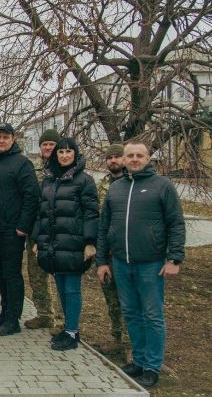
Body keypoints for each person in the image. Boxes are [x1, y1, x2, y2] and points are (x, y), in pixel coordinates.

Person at [96, 140, 185, 388]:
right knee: (131, 314)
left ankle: (152, 366)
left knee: (152, 315)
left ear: (148, 159)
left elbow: (176, 223)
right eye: (130, 155)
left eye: (139, 155)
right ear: (123, 159)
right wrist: (102, 261)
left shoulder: (162, 186)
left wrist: (174, 258)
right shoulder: (116, 189)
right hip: (121, 263)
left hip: (150, 264)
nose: (134, 159)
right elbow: (104, 228)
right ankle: (138, 359)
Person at [33, 138, 98, 350]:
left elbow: (91, 213)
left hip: (73, 242)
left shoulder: (84, 180)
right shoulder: (49, 179)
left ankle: (72, 331)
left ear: (75, 155)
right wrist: (37, 240)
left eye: (69, 152)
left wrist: (89, 242)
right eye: (61, 152)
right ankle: (67, 328)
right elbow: (41, 212)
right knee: (61, 287)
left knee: (71, 289)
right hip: (53, 243)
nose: (64, 155)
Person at [0, 123, 40, 336]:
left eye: (5, 137)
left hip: (12, 230)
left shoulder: (22, 164)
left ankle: (13, 319)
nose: (1, 140)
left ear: (13, 139)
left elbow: (31, 196)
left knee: (11, 274)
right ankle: (4, 312)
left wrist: (23, 226)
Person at [24, 129, 64, 333]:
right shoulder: (34, 169)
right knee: (36, 273)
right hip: (36, 231)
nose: (48, 147)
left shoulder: (66, 168)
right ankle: (45, 314)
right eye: (44, 144)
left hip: (61, 231)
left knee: (62, 275)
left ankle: (64, 320)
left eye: (51, 144)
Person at [95, 143, 127, 356]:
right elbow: (97, 218)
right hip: (106, 250)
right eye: (110, 157)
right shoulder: (104, 184)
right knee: (112, 299)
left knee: (131, 300)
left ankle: (134, 345)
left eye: (117, 157)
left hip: (127, 251)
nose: (113, 160)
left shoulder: (133, 182)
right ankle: (117, 339)